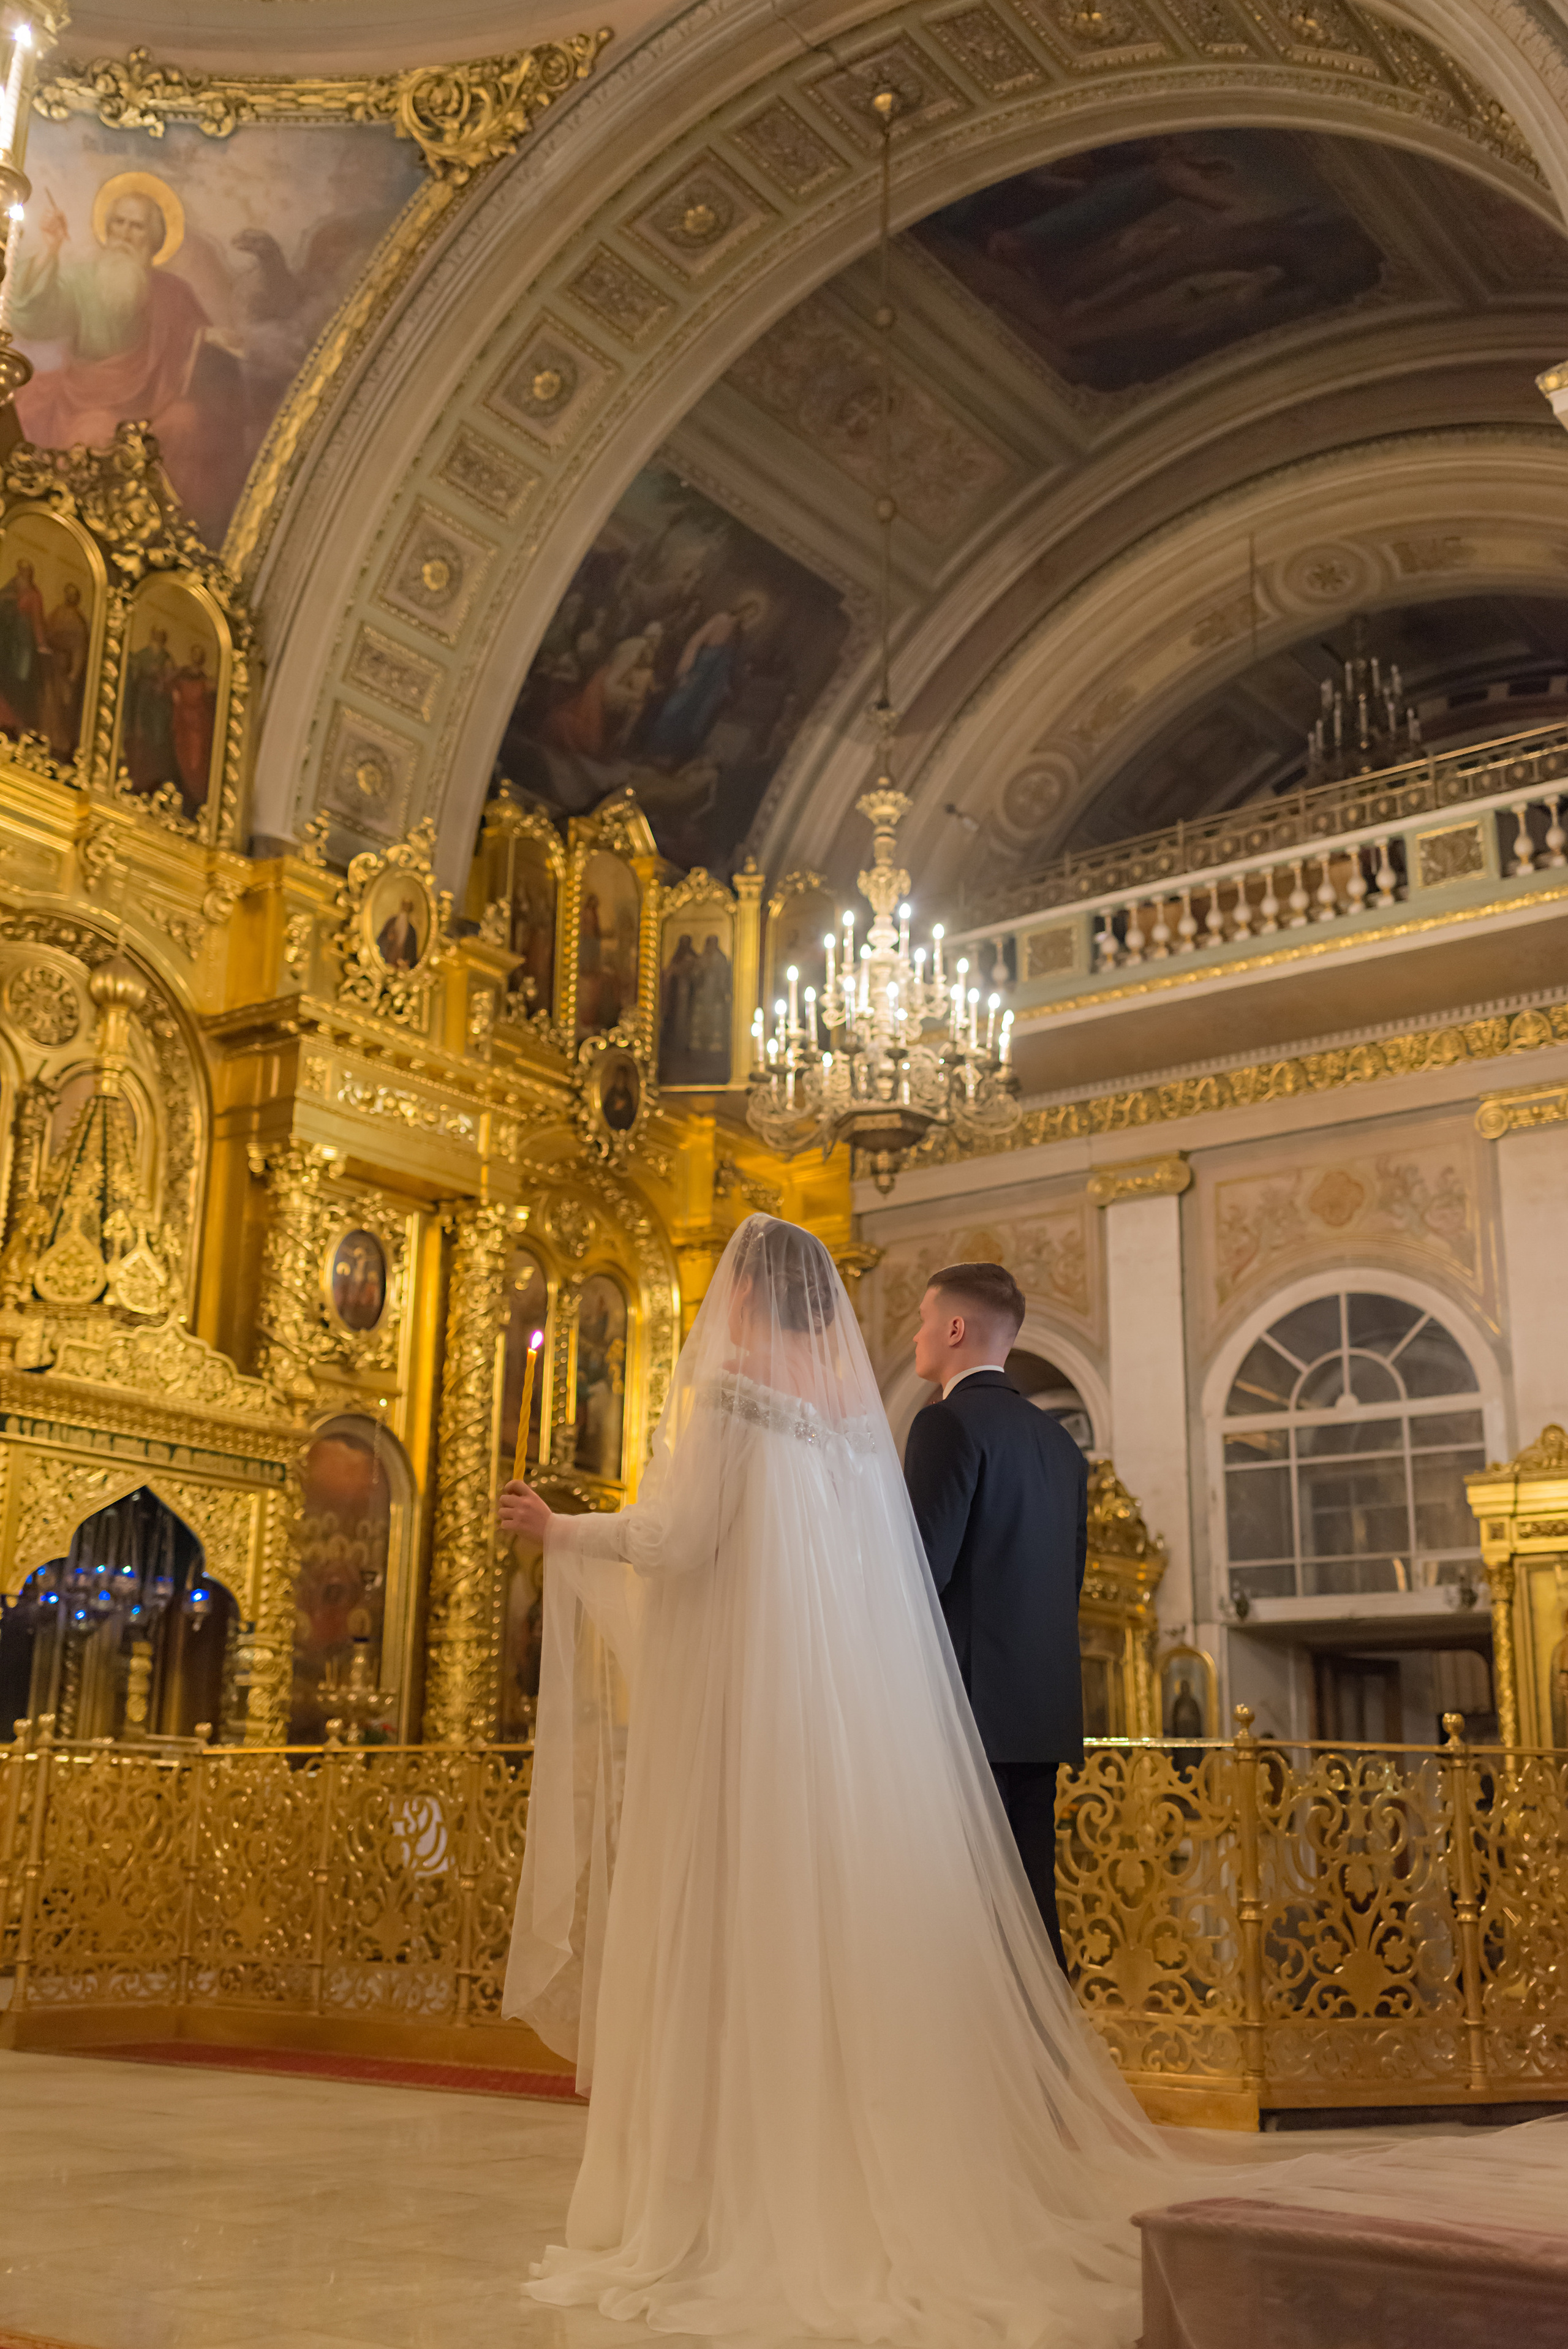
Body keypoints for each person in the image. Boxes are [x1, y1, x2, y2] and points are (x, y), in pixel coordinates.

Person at [499, 1214, 1568, 2349]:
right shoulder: (942, 1430)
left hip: (848, 1703)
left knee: (785, 1925)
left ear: (745, 1299)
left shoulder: (837, 1412)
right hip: (942, 1720)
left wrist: (565, 1531)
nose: (916, 1334)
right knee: (950, 1943)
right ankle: (970, 2140)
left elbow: (735, 1545)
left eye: (926, 1319)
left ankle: (745, 2179)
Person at [903, 1261, 1085, 1971]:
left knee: (958, 1917)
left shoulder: (945, 1423)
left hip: (965, 1711)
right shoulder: (1058, 1444)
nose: (916, 1336)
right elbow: (1067, 1580)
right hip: (1039, 1712)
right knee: (1030, 1912)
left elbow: (920, 1575)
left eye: (923, 1320)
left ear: (955, 1328)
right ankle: (1047, 2043)